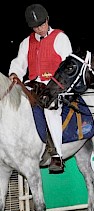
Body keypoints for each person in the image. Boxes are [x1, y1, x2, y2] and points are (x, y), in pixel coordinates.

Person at [9, 4, 73, 173]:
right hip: (33, 85)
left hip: (55, 86)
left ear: (47, 20)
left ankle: (57, 154)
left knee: (50, 111)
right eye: (36, 27)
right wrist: (15, 73)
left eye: (42, 25)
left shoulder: (60, 38)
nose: (40, 29)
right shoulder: (26, 42)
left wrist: (57, 86)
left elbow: (68, 66)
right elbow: (20, 62)